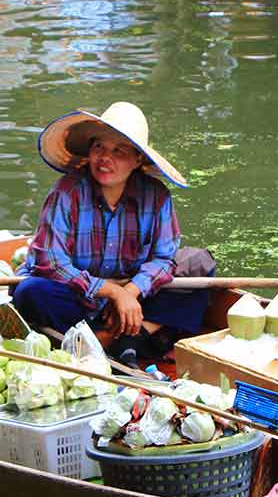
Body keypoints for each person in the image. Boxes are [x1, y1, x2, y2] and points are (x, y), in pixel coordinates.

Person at [12, 101, 210, 366]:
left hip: (133, 296)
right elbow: (50, 262)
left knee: (200, 264)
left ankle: (119, 336)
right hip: (80, 297)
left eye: (119, 151)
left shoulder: (156, 196)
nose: (106, 158)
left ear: (137, 160)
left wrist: (131, 291)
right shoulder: (68, 191)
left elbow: (164, 258)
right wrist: (112, 293)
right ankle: (127, 339)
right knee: (30, 291)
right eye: (99, 147)